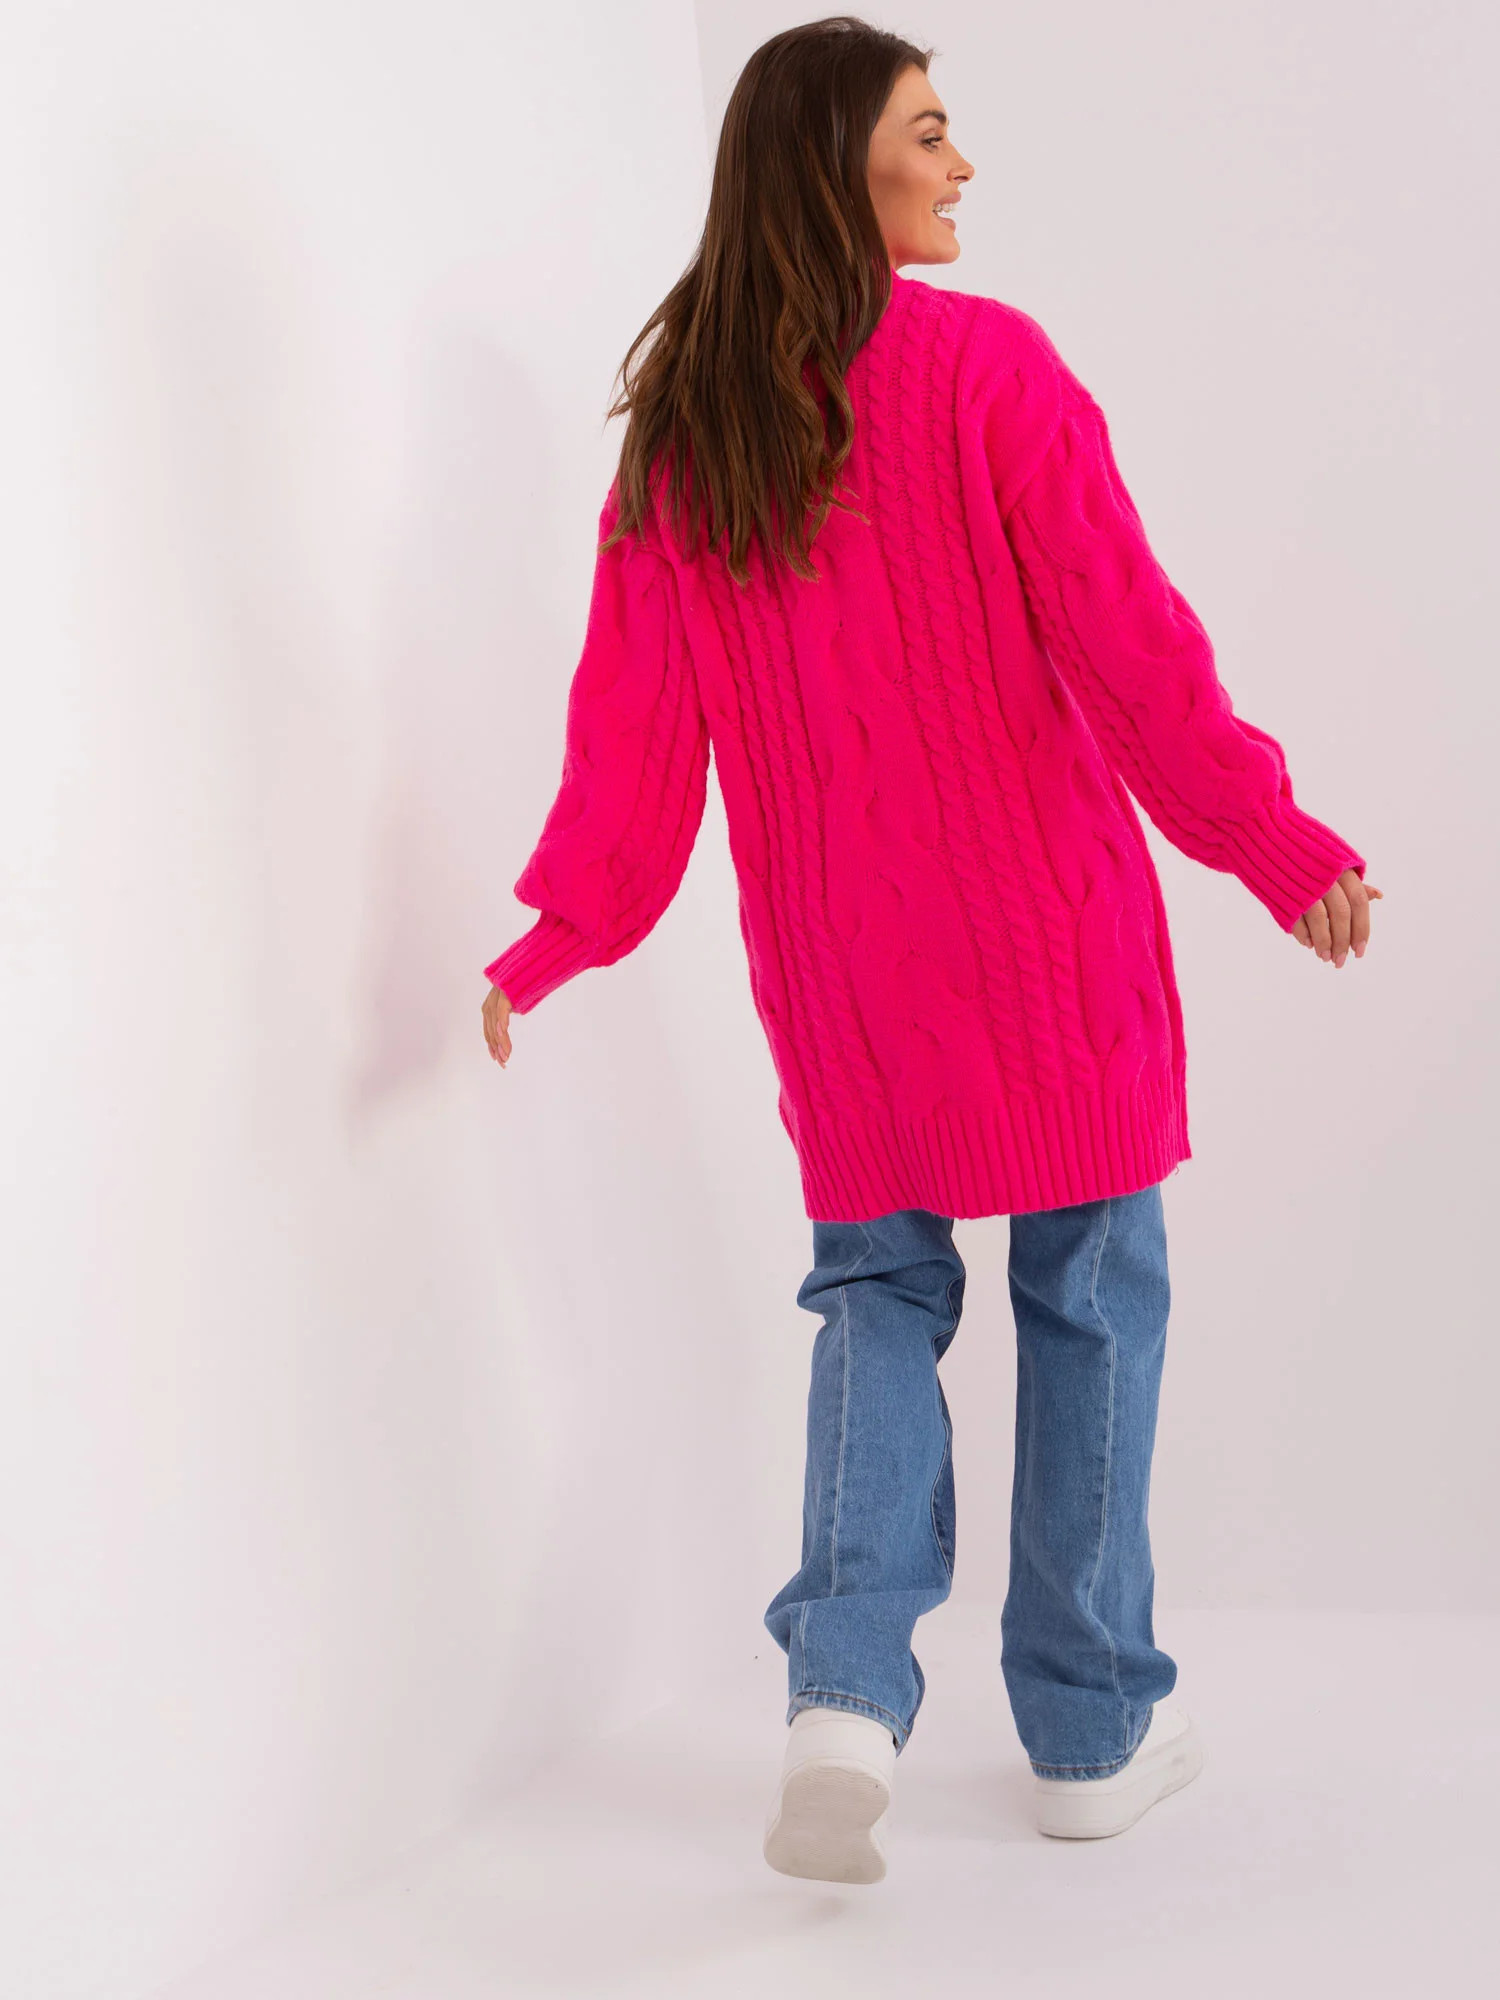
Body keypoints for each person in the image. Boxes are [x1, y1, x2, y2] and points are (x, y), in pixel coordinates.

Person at [479, 17, 1379, 1884]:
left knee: (878, 1298)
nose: (963, 166)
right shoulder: (989, 370)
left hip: (844, 972)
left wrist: (559, 936)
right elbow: (1135, 654)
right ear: (841, 166)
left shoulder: (690, 437)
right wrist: (1271, 844)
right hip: (1049, 949)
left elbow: (632, 738)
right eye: (932, 131)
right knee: (1091, 1294)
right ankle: (1091, 1725)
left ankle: (839, 1697)